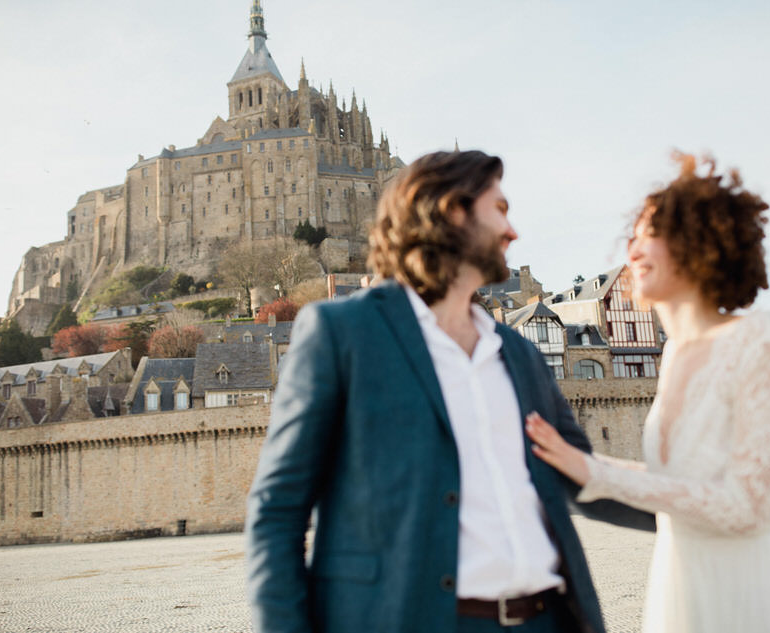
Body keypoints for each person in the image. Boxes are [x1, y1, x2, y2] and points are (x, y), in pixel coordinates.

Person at [245, 150, 654, 633]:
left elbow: (584, 478)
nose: (513, 231)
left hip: (547, 620)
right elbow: (278, 510)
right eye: (500, 210)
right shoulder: (343, 333)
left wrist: (708, 509)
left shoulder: (519, 355)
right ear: (453, 212)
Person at [525, 154, 770, 633]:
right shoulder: (676, 354)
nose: (632, 252)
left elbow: (750, 507)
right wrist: (576, 462)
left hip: (745, 588)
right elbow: (680, 481)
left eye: (650, 235)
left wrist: (593, 470)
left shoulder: (761, 340)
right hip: (681, 581)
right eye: (633, 237)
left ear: (699, 245)